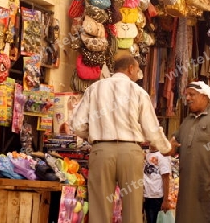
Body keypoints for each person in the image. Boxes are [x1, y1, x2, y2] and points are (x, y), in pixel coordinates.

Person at [72, 56, 172, 223]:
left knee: (99, 207)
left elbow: (77, 125)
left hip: (102, 151)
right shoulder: (138, 92)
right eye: (137, 70)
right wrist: (165, 148)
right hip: (130, 151)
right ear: (131, 69)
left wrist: (96, 136)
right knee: (133, 208)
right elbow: (151, 129)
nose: (138, 74)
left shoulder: (94, 89)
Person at [171, 81, 210, 223]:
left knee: (209, 213)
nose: (187, 98)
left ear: (205, 96)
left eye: (192, 94)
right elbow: (175, 140)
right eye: (186, 95)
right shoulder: (187, 120)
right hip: (188, 181)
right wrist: (170, 145)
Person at [143, 145, 171, 223]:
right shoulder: (147, 154)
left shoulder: (162, 156)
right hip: (146, 195)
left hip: (156, 197)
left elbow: (166, 178)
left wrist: (165, 200)